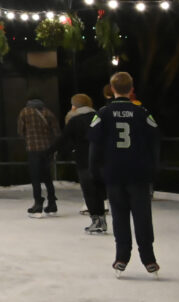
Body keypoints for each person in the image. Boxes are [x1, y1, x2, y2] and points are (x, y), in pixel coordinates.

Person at [89, 72, 161, 279]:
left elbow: (94, 146)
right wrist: (154, 168)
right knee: (142, 215)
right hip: (138, 173)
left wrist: (95, 172)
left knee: (119, 216)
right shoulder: (142, 112)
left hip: (113, 173)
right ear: (131, 89)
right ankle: (149, 259)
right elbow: (155, 140)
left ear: (112, 89)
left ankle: (121, 257)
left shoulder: (102, 113)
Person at [56, 93, 106, 234]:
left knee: (89, 192)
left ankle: (96, 220)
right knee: (98, 191)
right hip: (100, 159)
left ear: (74, 106)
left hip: (83, 160)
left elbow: (64, 139)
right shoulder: (99, 116)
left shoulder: (74, 119)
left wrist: (57, 153)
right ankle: (101, 220)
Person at [19, 96, 61, 216]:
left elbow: (20, 130)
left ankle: (38, 203)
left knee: (35, 177)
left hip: (33, 149)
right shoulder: (47, 112)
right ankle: (52, 202)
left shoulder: (24, 112)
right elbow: (56, 131)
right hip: (47, 149)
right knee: (48, 177)